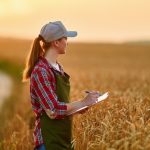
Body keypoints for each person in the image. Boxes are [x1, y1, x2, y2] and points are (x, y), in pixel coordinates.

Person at [22, 21, 100, 150]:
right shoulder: (41, 71)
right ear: (56, 42)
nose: (67, 42)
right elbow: (53, 110)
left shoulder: (58, 68)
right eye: (65, 38)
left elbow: (60, 105)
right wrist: (82, 102)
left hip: (63, 138)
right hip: (48, 141)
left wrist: (81, 107)